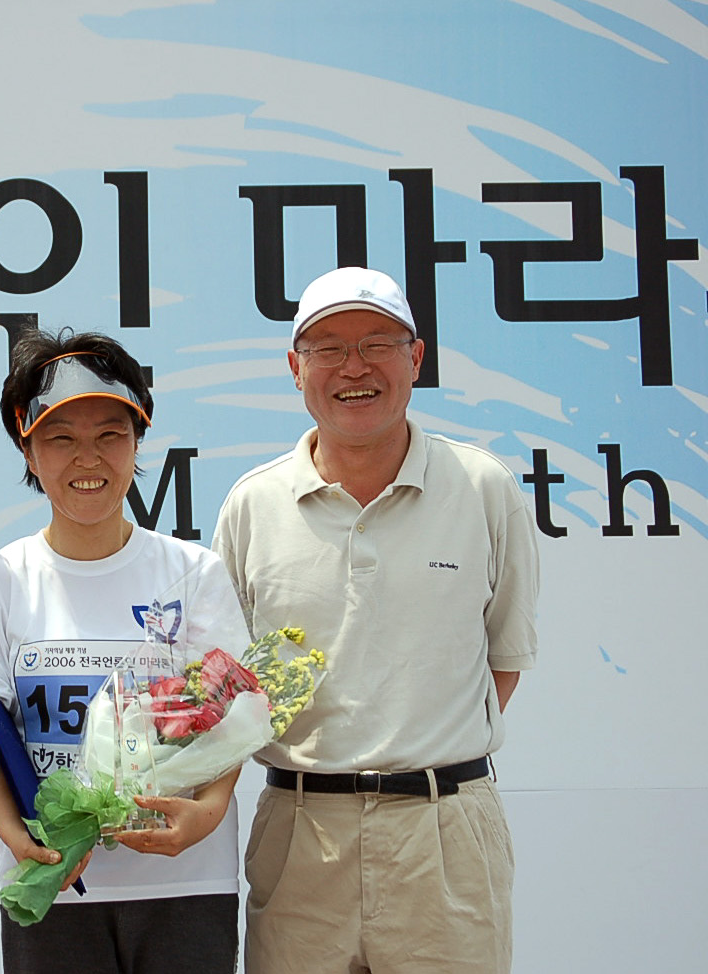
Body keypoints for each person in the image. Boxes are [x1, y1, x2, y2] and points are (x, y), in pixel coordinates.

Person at [212, 266, 540, 974]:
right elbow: (224, 683)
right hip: (301, 833)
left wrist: (417, 747)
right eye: (326, 348)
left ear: (416, 357)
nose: (352, 367)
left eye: (377, 343)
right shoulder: (253, 505)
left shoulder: (484, 488)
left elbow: (504, 656)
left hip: (443, 831)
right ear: (295, 367)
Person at [0, 330, 247, 974]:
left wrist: (209, 813)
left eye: (110, 435)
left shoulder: (194, 573)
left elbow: (233, 717)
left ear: (138, 444)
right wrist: (17, 836)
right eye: (61, 438)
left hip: (185, 885)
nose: (89, 458)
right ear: (28, 447)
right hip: (51, 882)